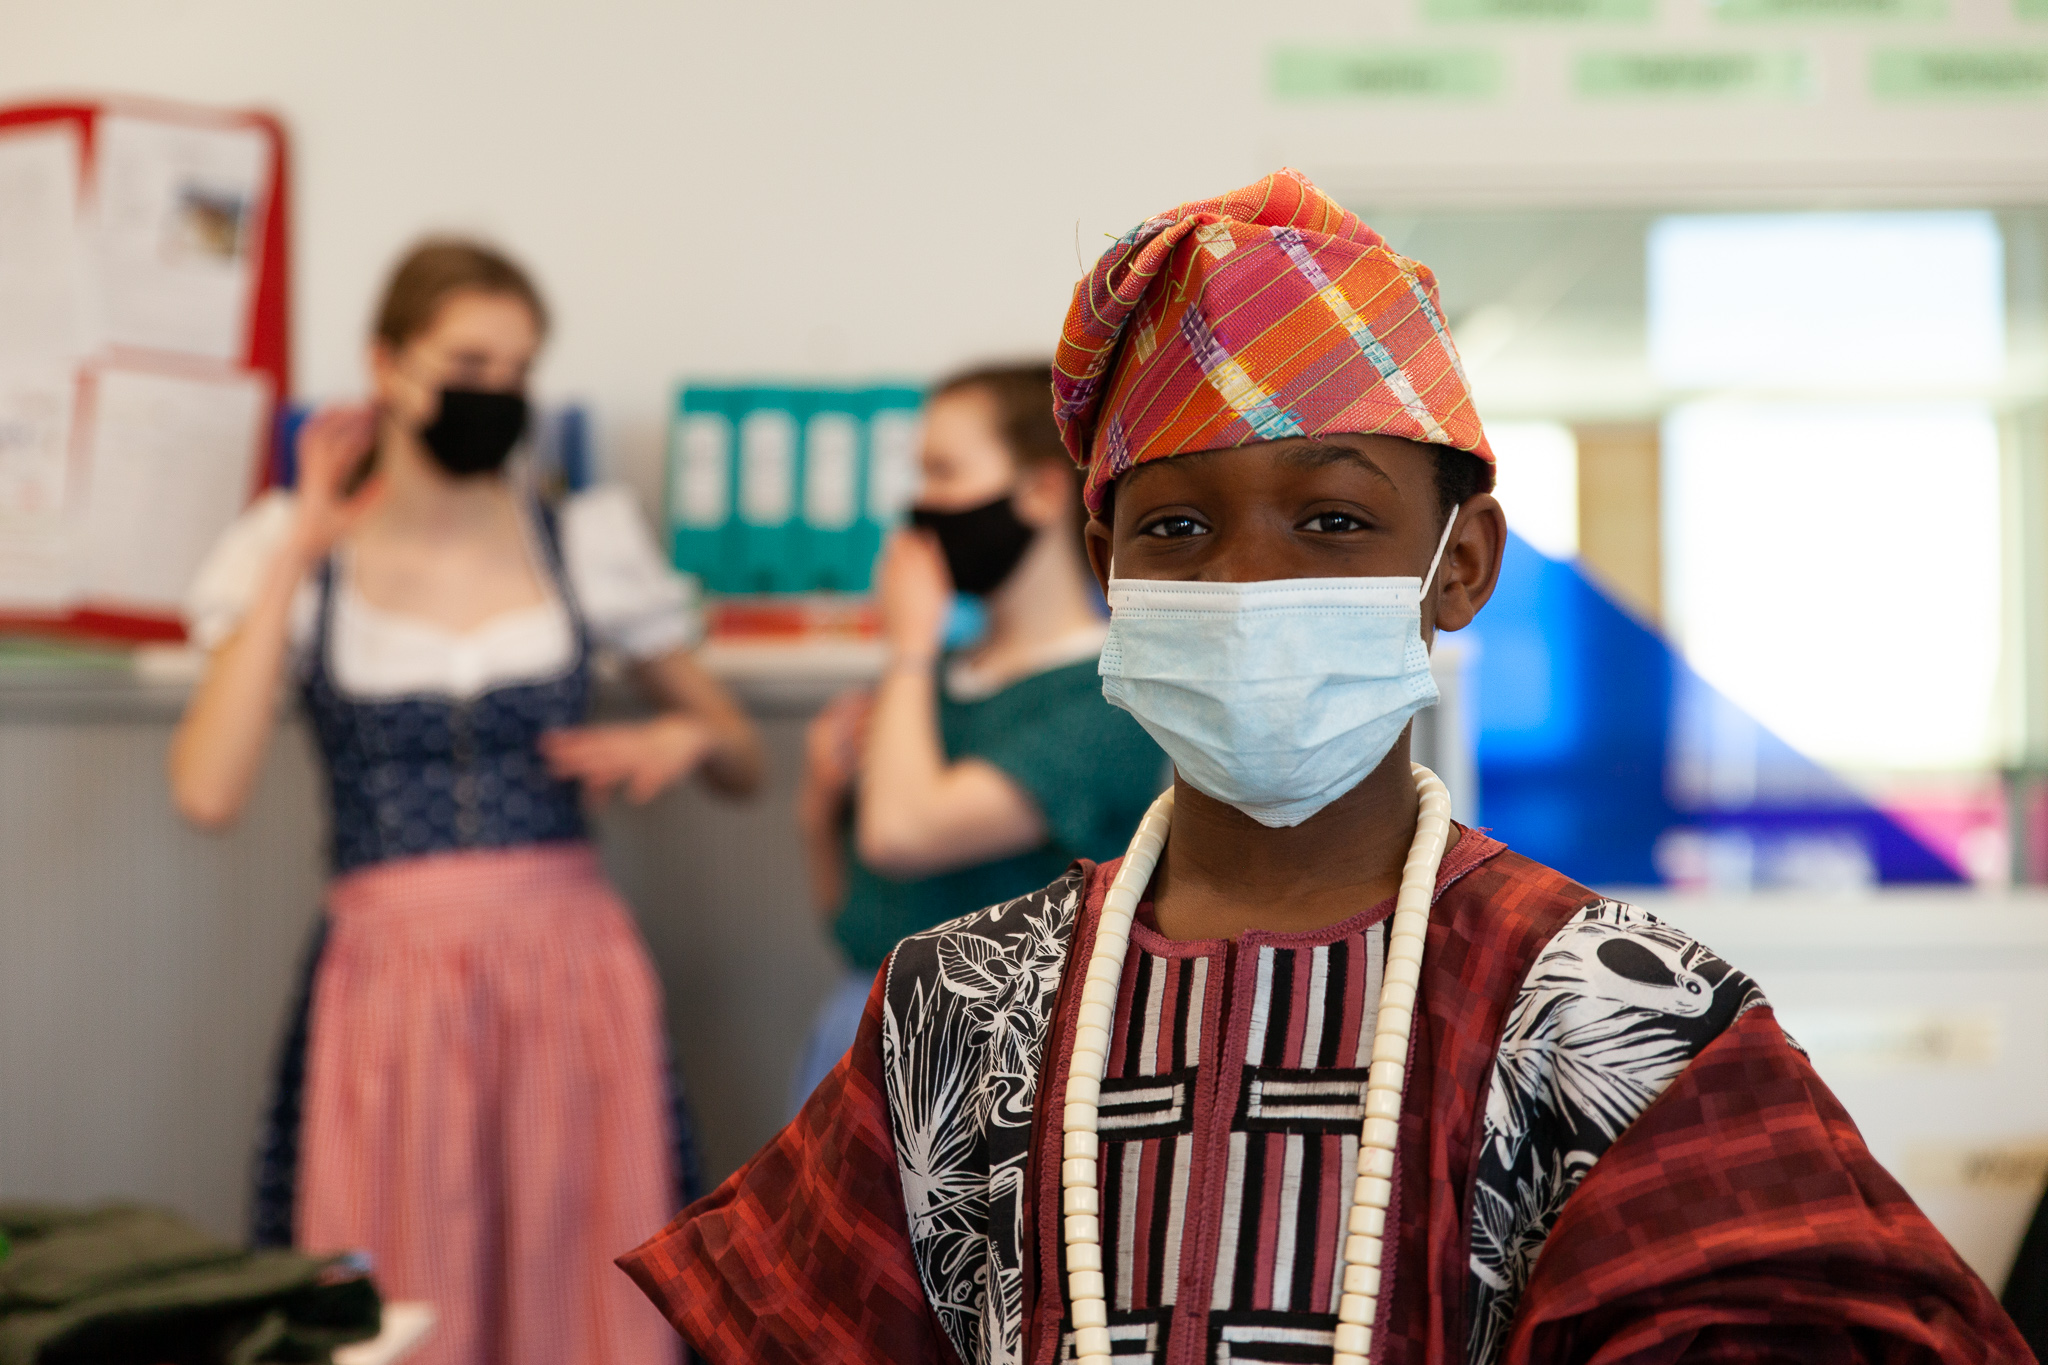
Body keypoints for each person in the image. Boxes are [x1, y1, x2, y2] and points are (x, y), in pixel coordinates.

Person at [617, 172, 2029, 1364]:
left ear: (1458, 565)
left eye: (1336, 520)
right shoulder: (960, 1007)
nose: (1247, 577)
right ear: (1108, 569)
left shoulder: (1623, 1018)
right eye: (1175, 531)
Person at [171, 239, 764, 1365]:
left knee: (580, 1288)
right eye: (467, 360)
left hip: (570, 970)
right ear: (385, 365)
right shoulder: (291, 555)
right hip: (385, 985)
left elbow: (742, 756)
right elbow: (207, 789)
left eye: (518, 367)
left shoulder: (581, 540)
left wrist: (681, 737)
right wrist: (298, 545)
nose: (494, 390)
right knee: (396, 1275)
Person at [790, 363, 1167, 1107]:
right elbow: (858, 921)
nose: (920, 507)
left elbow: (903, 833)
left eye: (944, 472)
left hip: (994, 1065)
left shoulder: (1109, 698)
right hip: (859, 1040)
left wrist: (906, 647)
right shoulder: (928, 685)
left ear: (1039, 491)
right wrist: (817, 800)